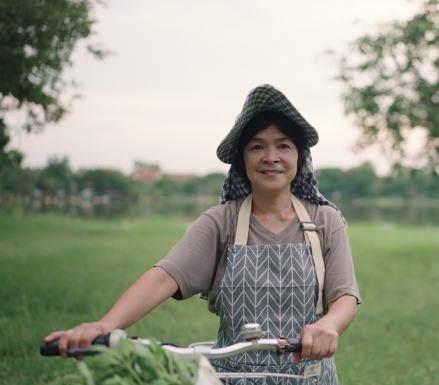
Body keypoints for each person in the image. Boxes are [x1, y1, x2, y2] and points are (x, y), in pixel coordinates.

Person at [43, 84, 362, 384]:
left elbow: (344, 296)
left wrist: (327, 326)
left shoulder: (324, 220)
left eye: (283, 146)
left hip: (308, 376)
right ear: (243, 159)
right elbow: (163, 278)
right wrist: (105, 325)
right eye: (257, 147)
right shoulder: (221, 221)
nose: (271, 157)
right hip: (232, 377)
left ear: (299, 156)